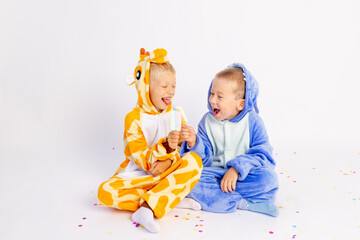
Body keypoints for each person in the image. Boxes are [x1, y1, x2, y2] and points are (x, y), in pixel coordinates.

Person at [97, 48, 203, 233]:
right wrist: (165, 149)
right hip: (141, 175)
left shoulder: (175, 114)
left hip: (167, 171)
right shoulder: (133, 118)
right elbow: (139, 156)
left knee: (194, 161)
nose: (170, 91)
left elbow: (179, 150)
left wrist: (185, 142)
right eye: (164, 86)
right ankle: (166, 199)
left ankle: (149, 207)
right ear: (146, 87)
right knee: (105, 192)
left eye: (173, 86)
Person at [180, 63, 279, 217]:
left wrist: (236, 169)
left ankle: (215, 198)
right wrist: (194, 142)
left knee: (268, 179)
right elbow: (203, 161)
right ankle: (242, 203)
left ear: (240, 104)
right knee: (187, 177)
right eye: (211, 93)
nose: (212, 100)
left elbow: (263, 155)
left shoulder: (252, 121)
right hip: (214, 175)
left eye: (219, 96)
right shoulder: (206, 122)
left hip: (243, 175)